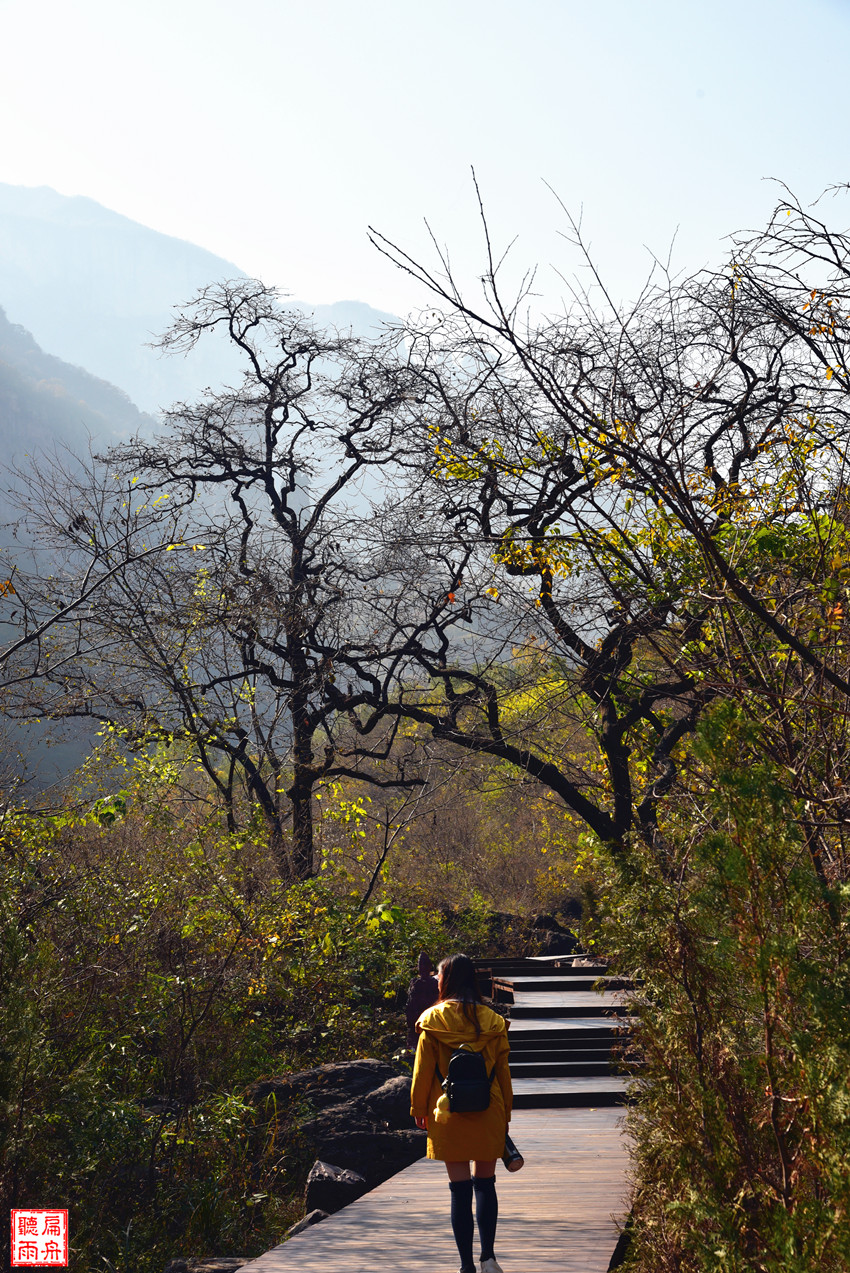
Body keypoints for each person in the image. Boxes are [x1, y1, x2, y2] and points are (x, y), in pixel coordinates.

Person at [411, 953, 512, 1273]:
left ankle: (466, 1265)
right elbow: (504, 1074)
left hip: (448, 1113)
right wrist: (505, 1114)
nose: (437, 981)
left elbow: (422, 1073)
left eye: (440, 977)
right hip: (488, 1110)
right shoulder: (493, 1023)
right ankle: (489, 1258)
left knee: (459, 1190)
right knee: (486, 1185)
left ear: (448, 980)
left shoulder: (432, 1021)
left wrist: (418, 1108)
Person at [404, 951, 441, 1048]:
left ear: (429, 966)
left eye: (424, 964)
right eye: (420, 964)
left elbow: (436, 1002)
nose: (422, 967)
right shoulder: (415, 982)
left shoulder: (434, 983)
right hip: (415, 1019)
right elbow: (410, 1002)